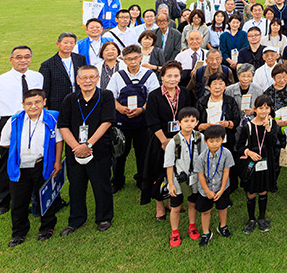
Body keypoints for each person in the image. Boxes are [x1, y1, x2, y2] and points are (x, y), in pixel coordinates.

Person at [0, 45, 45, 216]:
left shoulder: (37, 76)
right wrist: (4, 128)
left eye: (27, 56)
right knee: (7, 163)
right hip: (10, 122)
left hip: (34, 121)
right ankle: (4, 201)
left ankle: (36, 199)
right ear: (11, 60)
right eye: (18, 57)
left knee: (35, 160)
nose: (23, 60)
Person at [57, 64, 115, 235]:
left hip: (99, 149)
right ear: (77, 80)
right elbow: (63, 125)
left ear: (98, 79)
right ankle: (76, 219)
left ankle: (104, 218)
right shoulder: (69, 99)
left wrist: (88, 145)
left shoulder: (106, 96)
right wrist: (76, 147)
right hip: (74, 151)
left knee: (101, 185)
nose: (88, 81)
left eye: (92, 77)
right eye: (84, 77)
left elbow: (107, 122)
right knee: (76, 186)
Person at [1, 88, 62, 246]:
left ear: (44, 102)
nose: (33, 106)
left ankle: (47, 227)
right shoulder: (14, 120)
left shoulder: (53, 118)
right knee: (18, 201)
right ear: (23, 104)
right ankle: (19, 232)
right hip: (19, 167)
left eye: (37, 102)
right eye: (28, 103)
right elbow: (6, 142)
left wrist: (57, 161)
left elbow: (58, 141)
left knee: (44, 197)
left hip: (41, 164)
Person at [142, 61, 195, 214]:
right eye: (169, 76)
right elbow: (152, 120)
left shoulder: (184, 93)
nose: (173, 79)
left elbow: (188, 116)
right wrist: (164, 141)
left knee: (177, 170)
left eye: (176, 76)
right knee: (159, 171)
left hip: (180, 138)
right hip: (160, 139)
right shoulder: (154, 95)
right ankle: (160, 205)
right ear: (162, 77)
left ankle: (172, 201)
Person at [107, 44, 160, 193]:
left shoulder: (149, 75)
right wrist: (120, 108)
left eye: (135, 58)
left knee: (142, 152)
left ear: (141, 57)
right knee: (120, 153)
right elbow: (111, 96)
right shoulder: (118, 76)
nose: (133, 62)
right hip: (122, 121)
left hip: (142, 121)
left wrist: (142, 109)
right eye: (129, 59)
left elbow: (153, 97)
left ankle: (142, 179)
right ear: (123, 60)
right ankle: (117, 180)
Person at [235, 96, 279, 234]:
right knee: (251, 191)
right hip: (252, 162)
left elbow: (273, 143)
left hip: (267, 161)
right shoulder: (248, 126)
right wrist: (248, 152)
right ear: (255, 109)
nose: (264, 111)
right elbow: (239, 145)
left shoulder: (272, 123)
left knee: (263, 190)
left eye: (267, 108)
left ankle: (261, 218)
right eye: (261, 108)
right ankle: (251, 219)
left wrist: (269, 129)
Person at [164, 106, 203, 247]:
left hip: (195, 179)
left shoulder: (200, 138)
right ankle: (175, 232)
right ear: (178, 123)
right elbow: (168, 165)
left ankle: (192, 227)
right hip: (177, 180)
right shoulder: (173, 142)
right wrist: (171, 184)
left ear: (197, 122)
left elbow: (203, 158)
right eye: (185, 121)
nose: (189, 124)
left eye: (192, 120)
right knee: (176, 207)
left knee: (193, 204)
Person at [193, 125, 234, 246]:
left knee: (222, 208)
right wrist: (207, 191)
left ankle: (222, 227)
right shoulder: (201, 157)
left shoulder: (227, 153)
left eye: (218, 140)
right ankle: (206, 233)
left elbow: (226, 172)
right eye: (211, 141)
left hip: (222, 188)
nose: (215, 144)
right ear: (205, 141)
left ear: (223, 139)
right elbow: (200, 175)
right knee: (205, 211)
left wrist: (221, 190)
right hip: (205, 190)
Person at [40, 33, 87, 112]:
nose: (68, 45)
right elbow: (45, 87)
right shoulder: (47, 64)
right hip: (58, 103)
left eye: (71, 43)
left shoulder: (80, 59)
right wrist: (45, 106)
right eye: (65, 42)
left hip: (79, 99)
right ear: (58, 44)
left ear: (75, 44)